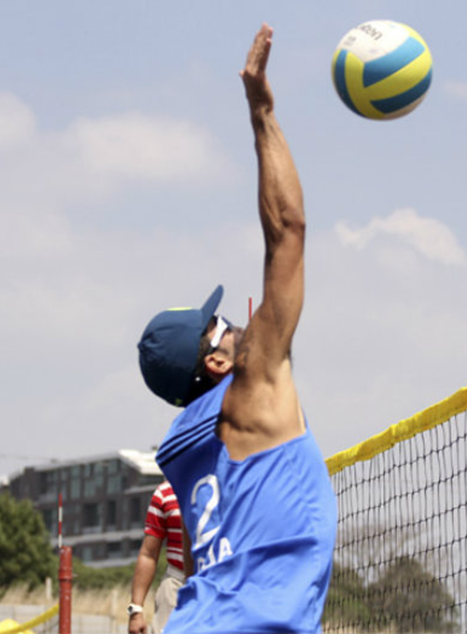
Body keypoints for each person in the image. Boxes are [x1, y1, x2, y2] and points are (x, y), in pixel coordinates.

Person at [136, 23, 337, 634]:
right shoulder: (254, 385)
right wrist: (262, 112)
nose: (233, 326)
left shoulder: (182, 447)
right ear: (218, 364)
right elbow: (288, 231)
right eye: (220, 326)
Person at [127, 481, 185, 634]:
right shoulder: (164, 493)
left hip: (219, 584)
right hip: (176, 584)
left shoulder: (230, 483)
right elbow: (148, 554)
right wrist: (135, 610)